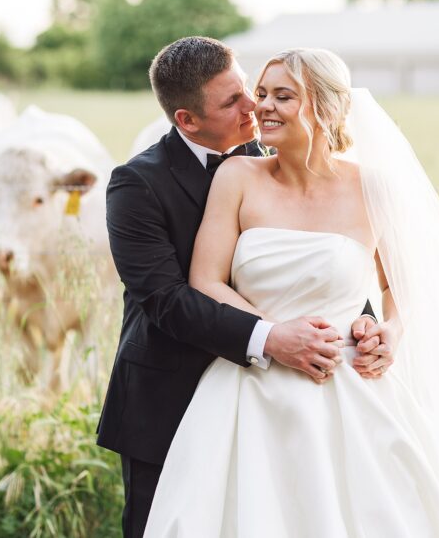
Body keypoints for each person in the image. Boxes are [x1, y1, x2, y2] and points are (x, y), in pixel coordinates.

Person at [143, 48, 439, 536]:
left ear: (326, 107)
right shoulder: (237, 177)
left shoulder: (374, 188)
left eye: (283, 96)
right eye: (261, 94)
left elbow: (402, 285)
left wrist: (389, 330)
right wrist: (274, 334)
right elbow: (206, 282)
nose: (263, 107)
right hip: (251, 386)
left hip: (352, 387)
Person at [97, 37, 383, 538]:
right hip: (170, 394)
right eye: (233, 101)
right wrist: (271, 338)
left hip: (291, 392)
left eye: (247, 88)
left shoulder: (274, 152)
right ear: (188, 120)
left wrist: (363, 320)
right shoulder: (136, 185)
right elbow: (167, 300)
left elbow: (329, 258)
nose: (256, 105)